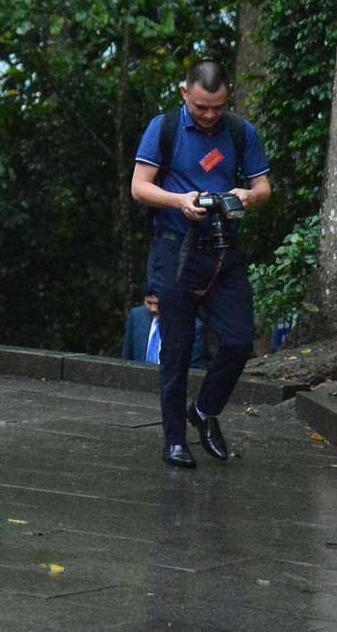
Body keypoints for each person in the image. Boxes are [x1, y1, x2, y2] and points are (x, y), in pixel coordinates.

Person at [130, 59, 272, 468]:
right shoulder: (165, 127)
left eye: (218, 107)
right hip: (175, 248)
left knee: (238, 340)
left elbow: (264, 188)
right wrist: (180, 201)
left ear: (228, 97)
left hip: (224, 250)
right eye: (201, 107)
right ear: (184, 94)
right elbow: (140, 187)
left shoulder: (242, 132)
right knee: (175, 349)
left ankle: (205, 410)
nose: (209, 116)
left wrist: (247, 197)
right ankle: (175, 439)